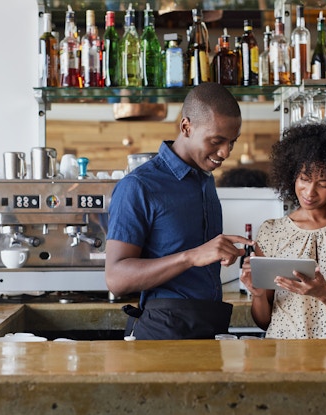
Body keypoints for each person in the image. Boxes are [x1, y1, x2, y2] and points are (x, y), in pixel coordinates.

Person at [105, 83, 253, 340]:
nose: (226, 152)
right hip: (162, 331)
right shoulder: (138, 186)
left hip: (209, 324)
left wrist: (218, 252)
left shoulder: (204, 180)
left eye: (232, 142)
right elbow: (116, 279)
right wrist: (192, 256)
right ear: (186, 127)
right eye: (217, 141)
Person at [240, 123, 326, 339]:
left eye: (323, 184)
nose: (309, 192)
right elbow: (264, 322)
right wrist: (258, 295)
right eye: (304, 180)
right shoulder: (271, 232)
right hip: (284, 355)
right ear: (292, 175)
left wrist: (325, 295)